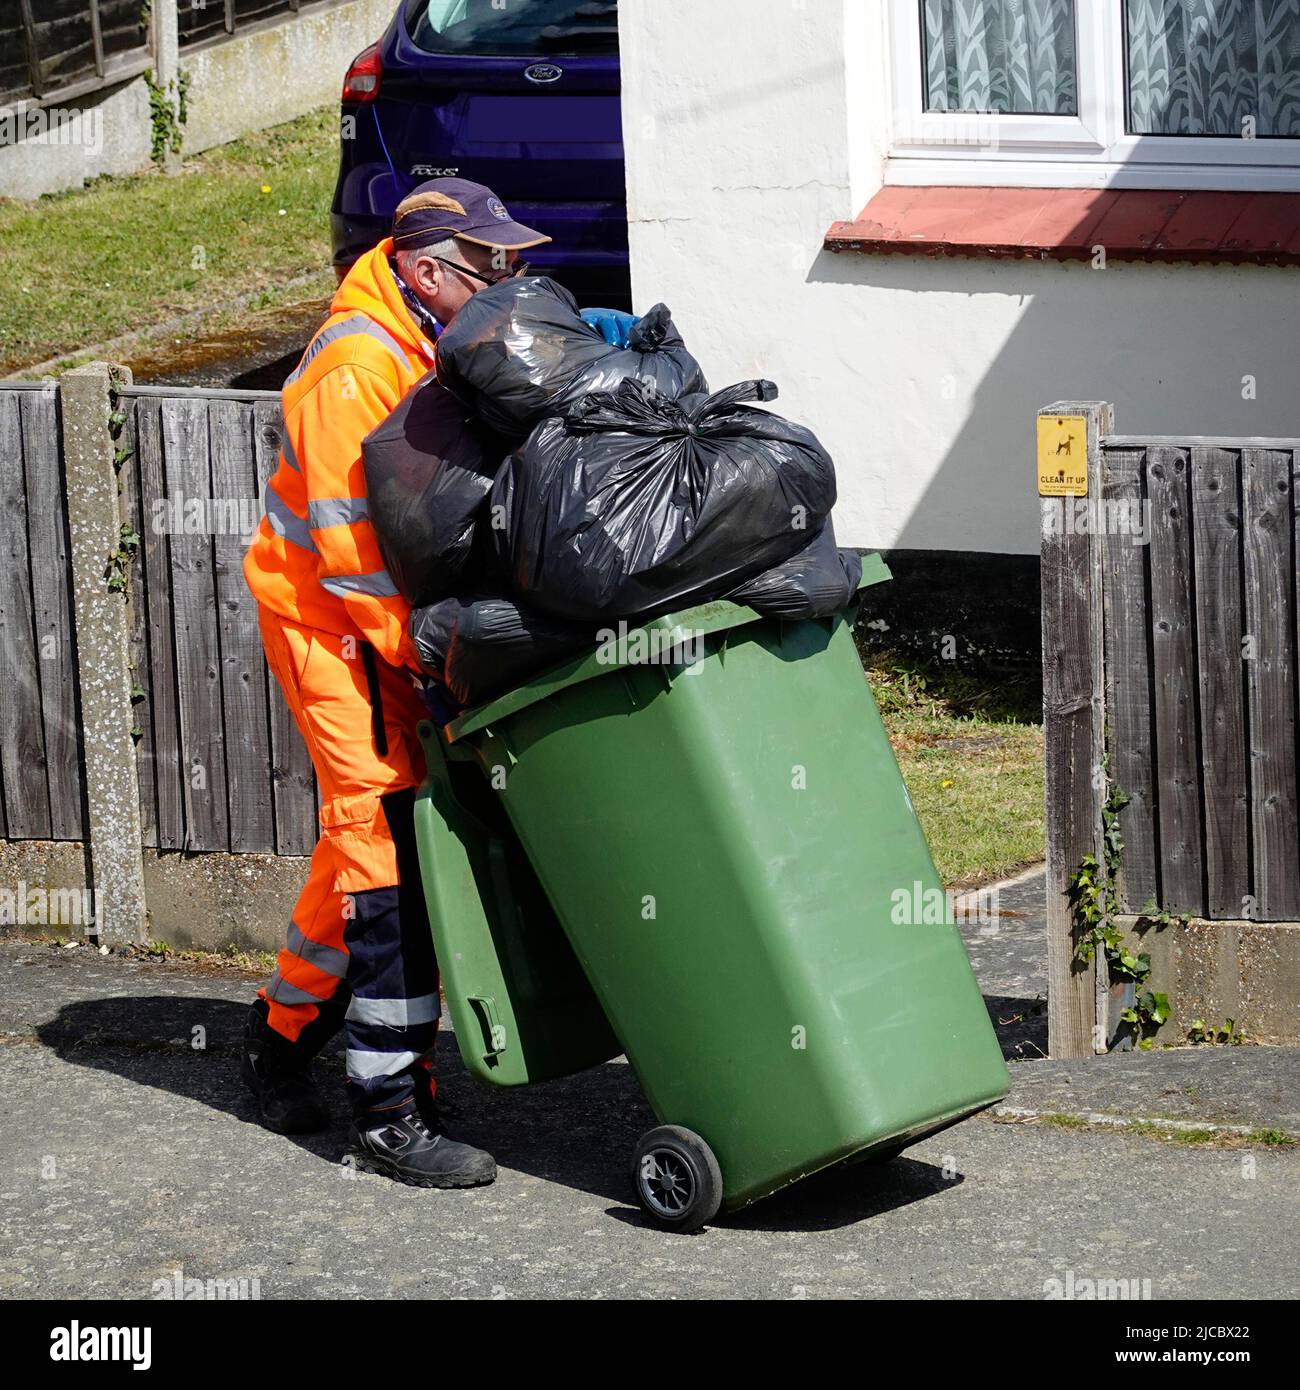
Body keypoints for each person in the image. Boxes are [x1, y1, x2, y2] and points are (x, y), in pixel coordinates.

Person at [240, 177, 634, 1188]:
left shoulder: (429, 334)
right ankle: (384, 1108)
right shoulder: (352, 370)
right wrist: (429, 662)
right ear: (424, 269)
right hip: (333, 626)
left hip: (383, 623)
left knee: (360, 836)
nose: (507, 279)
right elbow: (349, 552)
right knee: (381, 843)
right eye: (488, 265)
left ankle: (280, 1039)